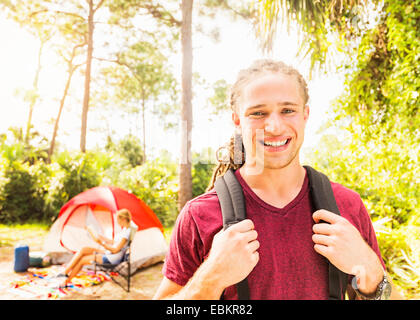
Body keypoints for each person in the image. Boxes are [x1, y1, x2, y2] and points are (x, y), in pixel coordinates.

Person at [153, 59, 402, 300]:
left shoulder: (346, 205)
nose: (274, 126)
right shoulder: (200, 215)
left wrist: (369, 268)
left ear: (305, 115)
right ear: (237, 120)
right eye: (258, 113)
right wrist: (210, 278)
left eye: (287, 110)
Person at [58, 208, 132, 288]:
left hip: (112, 258)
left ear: (124, 219)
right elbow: (113, 242)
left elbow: (116, 250)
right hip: (109, 253)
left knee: (82, 260)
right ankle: (65, 272)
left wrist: (102, 243)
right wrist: (98, 236)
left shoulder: (126, 233)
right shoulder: (125, 229)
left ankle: (66, 281)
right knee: (84, 249)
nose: (117, 222)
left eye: (118, 219)